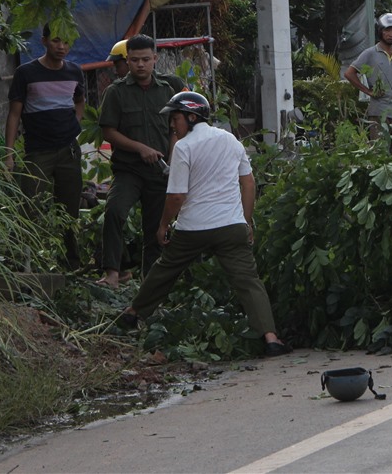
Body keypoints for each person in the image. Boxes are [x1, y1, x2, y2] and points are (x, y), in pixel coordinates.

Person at [119, 92, 291, 357]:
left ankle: (132, 313)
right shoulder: (231, 140)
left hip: (193, 229)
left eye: (175, 118)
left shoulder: (184, 148)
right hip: (231, 226)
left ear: (191, 116)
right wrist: (246, 222)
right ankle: (270, 338)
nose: (172, 125)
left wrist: (163, 225)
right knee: (248, 281)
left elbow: (177, 196)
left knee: (165, 270)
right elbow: (248, 183)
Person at [96, 34, 180, 287]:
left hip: (160, 172)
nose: (140, 65)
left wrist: (175, 161)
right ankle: (112, 272)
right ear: (128, 61)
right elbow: (108, 131)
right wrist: (140, 148)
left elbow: (176, 128)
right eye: (134, 60)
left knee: (155, 230)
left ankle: (150, 282)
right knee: (114, 212)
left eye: (145, 59)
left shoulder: (169, 90)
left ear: (155, 58)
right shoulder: (116, 92)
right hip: (128, 170)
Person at [5, 24, 86, 269]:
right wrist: (8, 155)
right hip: (38, 151)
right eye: (56, 41)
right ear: (44, 41)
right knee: (29, 207)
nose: (62, 47)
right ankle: (20, 262)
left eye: (67, 42)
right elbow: (14, 115)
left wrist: (75, 124)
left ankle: (71, 265)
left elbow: (80, 100)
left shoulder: (74, 71)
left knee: (70, 210)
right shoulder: (26, 73)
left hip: (69, 151)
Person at [344, 13, 392, 136]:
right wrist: (368, 91)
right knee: (379, 152)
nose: (391, 34)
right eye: (387, 30)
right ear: (380, 32)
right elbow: (349, 73)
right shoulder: (370, 53)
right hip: (378, 112)